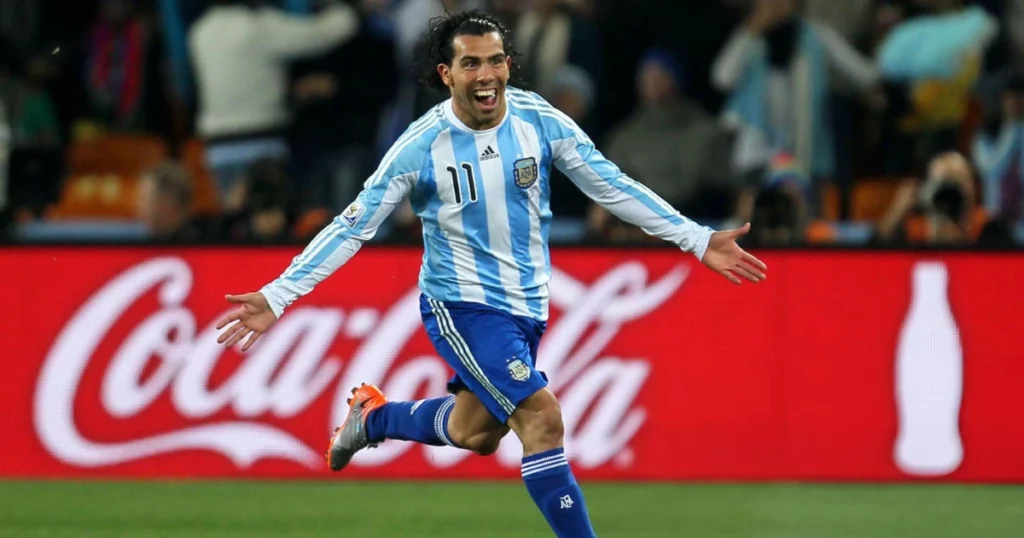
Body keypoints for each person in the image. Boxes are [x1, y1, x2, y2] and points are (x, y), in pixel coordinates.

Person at [214, 10, 767, 537]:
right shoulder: (421, 146)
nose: (487, 75)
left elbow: (610, 184)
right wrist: (279, 294)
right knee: (541, 419)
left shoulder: (538, 120)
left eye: (496, 61)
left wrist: (695, 238)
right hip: (462, 306)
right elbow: (353, 225)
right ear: (446, 74)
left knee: (476, 432)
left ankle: (374, 419)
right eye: (472, 64)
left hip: (527, 308)